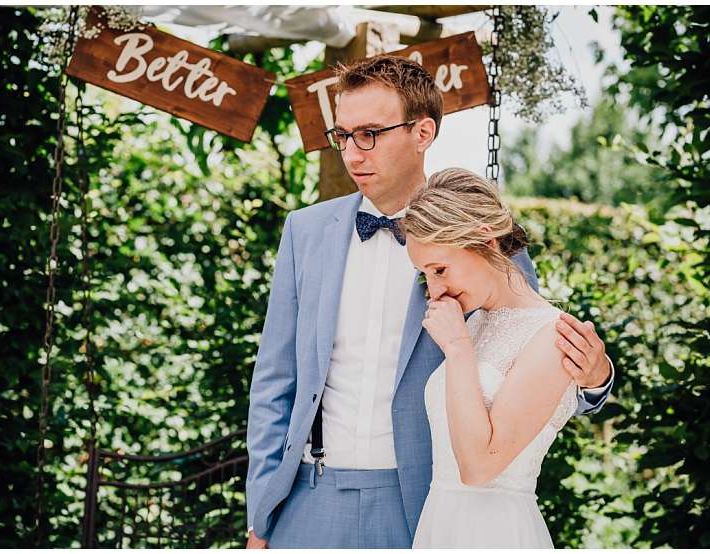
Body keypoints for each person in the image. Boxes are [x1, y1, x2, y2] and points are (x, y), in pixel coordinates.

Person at [244, 55, 614, 549]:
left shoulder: (488, 243)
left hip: (419, 503)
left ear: (423, 132)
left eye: (370, 133)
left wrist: (596, 379)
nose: (353, 154)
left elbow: (527, 360)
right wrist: (261, 513)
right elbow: (274, 380)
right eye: (343, 136)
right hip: (309, 499)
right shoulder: (305, 232)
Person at [402, 168, 574, 547]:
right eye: (425, 275)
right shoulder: (474, 321)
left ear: (486, 239)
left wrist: (459, 350)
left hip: (496, 533)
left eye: (440, 269)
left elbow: (479, 466)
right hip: (439, 525)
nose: (434, 290)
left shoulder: (551, 336)